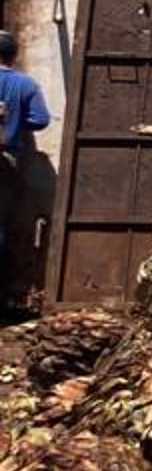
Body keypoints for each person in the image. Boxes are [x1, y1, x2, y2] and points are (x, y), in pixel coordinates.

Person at [0, 29, 51, 304]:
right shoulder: (25, 84)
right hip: (7, 160)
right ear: (13, 55)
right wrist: (16, 124)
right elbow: (41, 119)